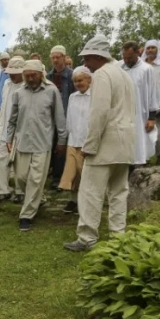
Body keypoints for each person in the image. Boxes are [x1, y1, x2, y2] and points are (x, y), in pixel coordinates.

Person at [64, 36, 136, 252]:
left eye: (87, 58)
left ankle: (87, 238)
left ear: (98, 56)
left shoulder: (102, 75)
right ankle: (118, 236)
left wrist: (90, 145)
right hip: (125, 144)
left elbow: (99, 113)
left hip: (105, 144)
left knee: (90, 192)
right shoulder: (124, 75)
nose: (85, 63)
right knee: (118, 192)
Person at [6, 60, 67, 232]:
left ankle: (26, 215)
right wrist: (8, 139)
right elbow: (12, 119)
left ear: (41, 74)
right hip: (23, 142)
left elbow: (59, 118)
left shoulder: (51, 90)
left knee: (36, 179)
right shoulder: (19, 93)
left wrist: (62, 141)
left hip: (43, 143)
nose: (30, 78)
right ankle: (38, 199)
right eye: (27, 76)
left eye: (33, 75)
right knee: (21, 178)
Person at [58, 67, 92, 214]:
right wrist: (67, 136)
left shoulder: (95, 96)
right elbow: (69, 118)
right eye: (75, 81)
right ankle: (73, 200)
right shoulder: (73, 97)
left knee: (84, 173)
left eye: (80, 80)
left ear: (89, 80)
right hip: (73, 139)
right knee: (72, 172)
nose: (78, 83)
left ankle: (85, 202)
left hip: (87, 140)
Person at [0, 57, 26, 204]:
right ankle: (3, 190)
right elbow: (3, 106)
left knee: (19, 161)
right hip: (4, 127)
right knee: (1, 159)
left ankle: (20, 191)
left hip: (19, 130)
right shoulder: (6, 84)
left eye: (14, 73)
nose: (11, 75)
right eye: (10, 72)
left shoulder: (26, 87)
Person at [120, 41, 158, 167]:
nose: (126, 60)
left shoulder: (146, 69)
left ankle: (139, 166)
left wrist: (152, 117)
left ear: (137, 53)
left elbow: (153, 93)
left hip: (141, 114)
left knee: (139, 143)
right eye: (124, 57)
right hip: (123, 113)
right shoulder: (120, 68)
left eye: (130, 57)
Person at [47, 46, 75, 188]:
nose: (55, 60)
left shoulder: (72, 76)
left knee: (63, 147)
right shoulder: (48, 77)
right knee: (52, 144)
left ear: (64, 57)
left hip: (67, 116)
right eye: (53, 58)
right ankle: (53, 175)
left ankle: (61, 177)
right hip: (51, 117)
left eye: (58, 57)